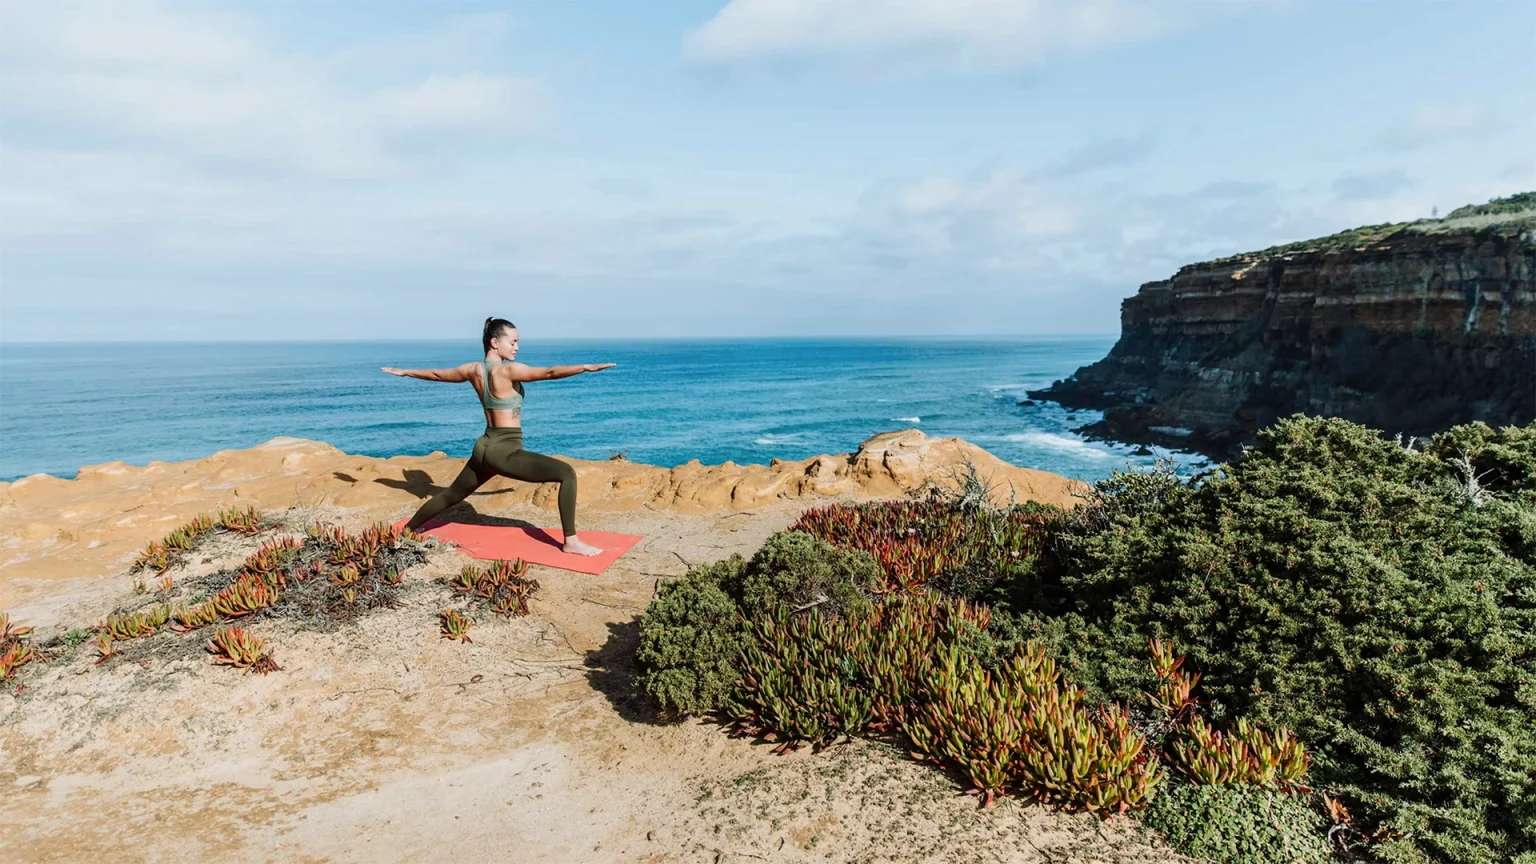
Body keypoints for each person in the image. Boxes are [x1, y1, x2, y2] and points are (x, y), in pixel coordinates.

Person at [382, 317, 615, 556]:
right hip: (505, 450)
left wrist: (406, 372)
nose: (517, 347)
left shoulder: (472, 370)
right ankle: (571, 542)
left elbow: (437, 374)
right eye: (512, 342)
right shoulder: (508, 370)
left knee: (451, 494)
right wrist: (585, 368)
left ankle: (405, 532)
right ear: (495, 342)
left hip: (484, 446)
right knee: (566, 473)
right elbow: (549, 372)